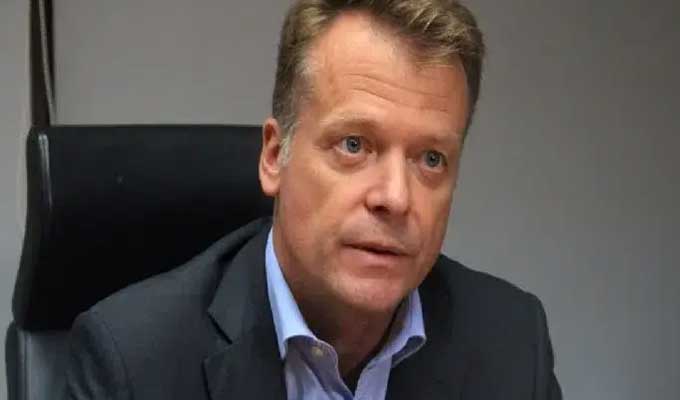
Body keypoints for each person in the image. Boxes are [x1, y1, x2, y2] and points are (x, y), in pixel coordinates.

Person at [63, 1, 562, 399]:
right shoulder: (134, 363)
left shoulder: (512, 343)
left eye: (431, 159)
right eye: (354, 145)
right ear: (274, 156)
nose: (395, 197)